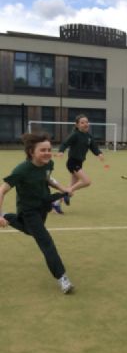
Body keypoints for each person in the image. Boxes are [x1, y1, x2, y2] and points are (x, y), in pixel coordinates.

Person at [0, 133, 74, 294]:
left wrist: (63, 189)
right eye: (43, 150)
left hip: (44, 204)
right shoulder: (21, 170)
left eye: (49, 149)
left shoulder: (48, 164)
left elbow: (48, 179)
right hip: (29, 210)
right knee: (45, 241)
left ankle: (8, 217)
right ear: (31, 152)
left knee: (29, 230)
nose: (47, 152)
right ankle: (62, 277)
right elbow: (2, 190)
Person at [56, 114, 104, 211]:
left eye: (86, 122)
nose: (85, 124)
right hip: (72, 162)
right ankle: (68, 193)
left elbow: (93, 147)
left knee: (72, 185)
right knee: (87, 181)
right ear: (77, 125)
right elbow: (65, 143)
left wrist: (99, 154)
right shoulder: (75, 135)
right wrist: (61, 151)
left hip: (79, 163)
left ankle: (56, 203)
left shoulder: (89, 136)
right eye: (82, 122)